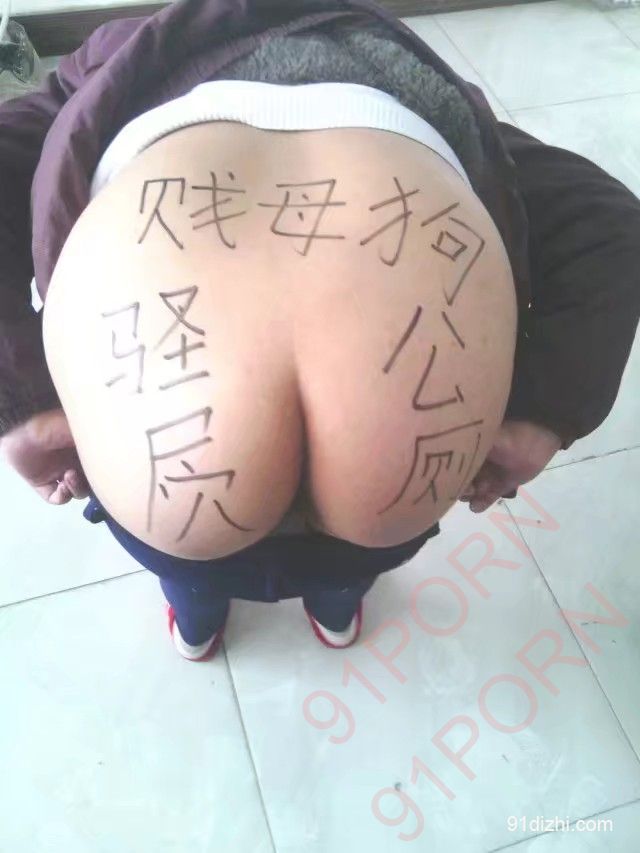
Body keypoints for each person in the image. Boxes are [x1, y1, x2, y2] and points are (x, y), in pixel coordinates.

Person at [0, 0, 638, 662]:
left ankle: (196, 621)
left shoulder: (126, 48)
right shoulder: (404, 61)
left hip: (169, 490)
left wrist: (19, 397)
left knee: (190, 569)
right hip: (395, 488)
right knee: (348, 566)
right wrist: (545, 409)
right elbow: (609, 220)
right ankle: (337, 609)